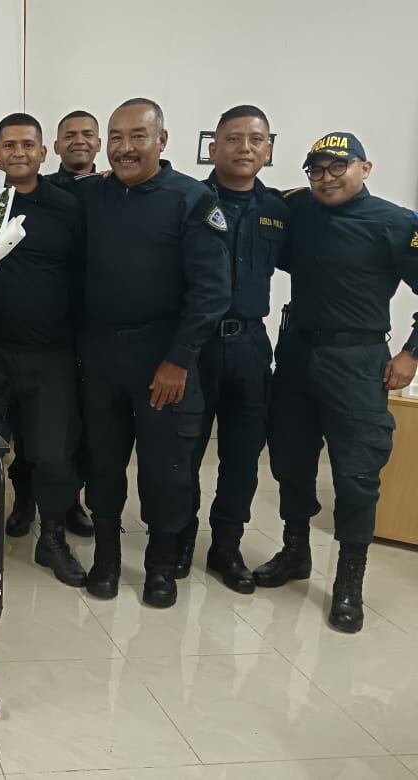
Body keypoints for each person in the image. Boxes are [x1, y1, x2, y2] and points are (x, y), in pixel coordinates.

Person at [60, 98, 231, 608]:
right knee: (104, 462)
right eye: (115, 137)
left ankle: (160, 565)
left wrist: (179, 359)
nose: (125, 147)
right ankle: (107, 559)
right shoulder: (90, 196)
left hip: (164, 358)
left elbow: (212, 291)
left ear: (162, 140)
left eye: (137, 136)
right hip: (100, 354)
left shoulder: (194, 200)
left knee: (166, 468)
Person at [256, 131, 418, 632]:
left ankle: (349, 582)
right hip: (298, 352)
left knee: (356, 475)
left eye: (337, 168)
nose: (326, 178)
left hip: (356, 358)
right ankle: (295, 551)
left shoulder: (398, 223)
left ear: (365, 169)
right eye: (316, 170)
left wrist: (412, 354)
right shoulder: (297, 209)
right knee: (290, 459)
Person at [0, 113, 86, 586]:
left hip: (51, 355)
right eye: (8, 145)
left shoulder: (69, 206)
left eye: (28, 145)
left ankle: (52, 539)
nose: (18, 153)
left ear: (44, 153)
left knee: (52, 454)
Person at [173, 105, 290, 594]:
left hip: (249, 345)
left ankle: (226, 547)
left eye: (256, 140)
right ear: (213, 147)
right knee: (184, 451)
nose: (245, 148)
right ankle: (177, 540)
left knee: (242, 456)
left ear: (268, 149)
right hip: (195, 344)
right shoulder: (189, 201)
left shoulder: (280, 210)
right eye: (234, 139)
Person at [48, 110, 102, 186]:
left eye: (88, 135)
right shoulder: (40, 187)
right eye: (69, 136)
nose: (79, 141)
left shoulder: (111, 187)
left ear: (98, 144)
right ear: (57, 147)